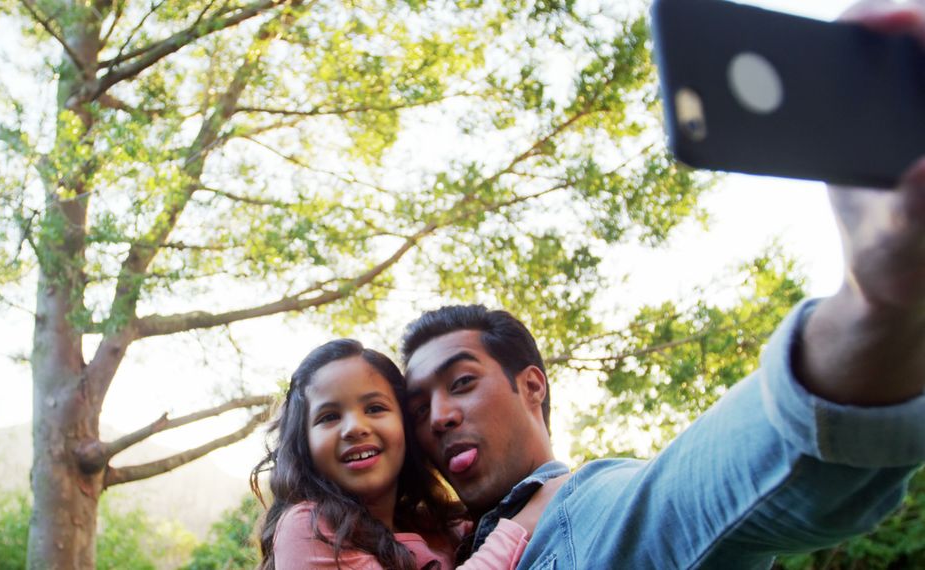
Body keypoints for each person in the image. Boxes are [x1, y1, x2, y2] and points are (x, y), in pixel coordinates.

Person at [399, 1, 925, 567]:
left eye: (460, 382)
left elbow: (707, 492)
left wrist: (877, 304)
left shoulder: (588, 512)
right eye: (418, 405)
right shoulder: (417, 546)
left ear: (532, 387)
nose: (439, 417)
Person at [251, 339, 556, 569]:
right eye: (329, 417)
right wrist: (521, 525)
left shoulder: (443, 528)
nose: (355, 428)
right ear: (305, 445)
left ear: (406, 427)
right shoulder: (311, 528)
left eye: (375, 408)